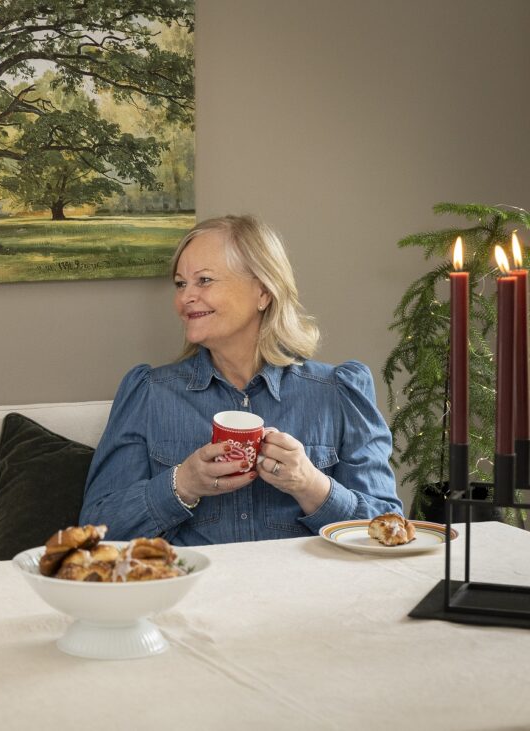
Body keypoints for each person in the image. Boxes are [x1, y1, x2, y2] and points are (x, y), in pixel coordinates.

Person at [80, 214, 402, 544]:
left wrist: (310, 485)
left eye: (204, 280)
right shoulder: (149, 394)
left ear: (263, 291)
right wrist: (183, 483)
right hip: (195, 593)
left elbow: (387, 532)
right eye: (180, 284)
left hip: (308, 593)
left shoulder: (338, 392)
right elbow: (96, 530)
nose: (185, 297)